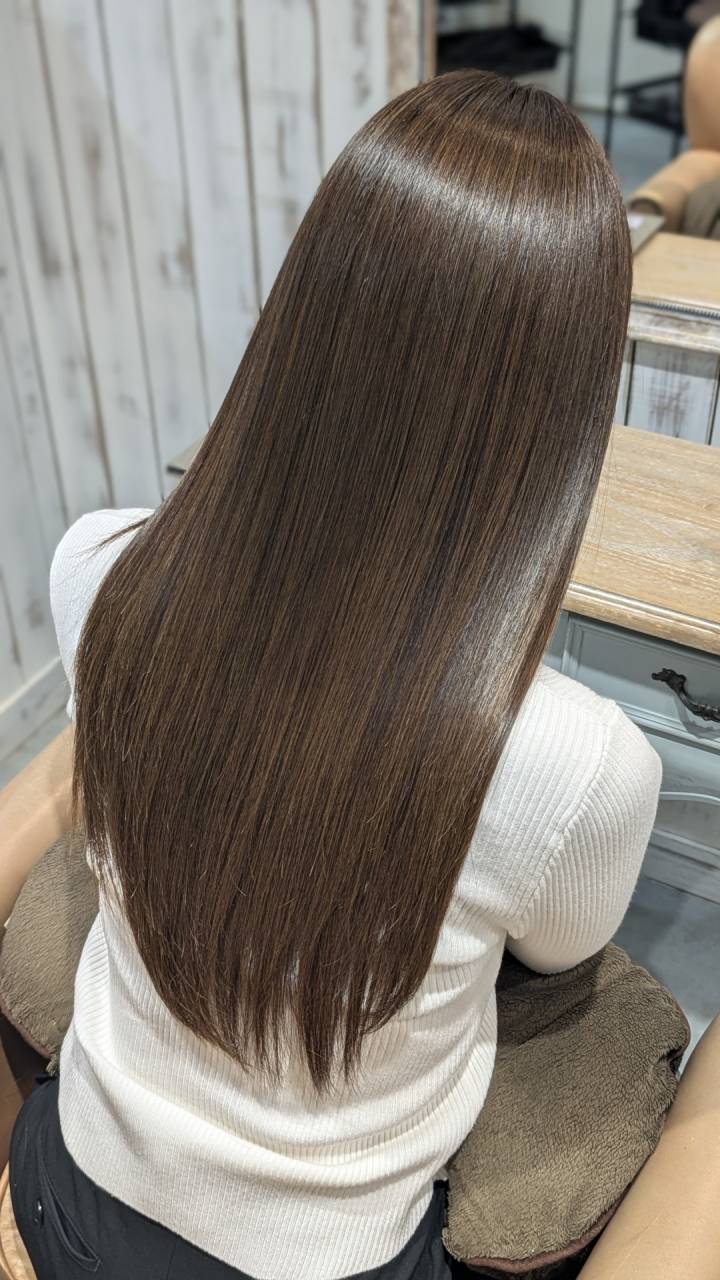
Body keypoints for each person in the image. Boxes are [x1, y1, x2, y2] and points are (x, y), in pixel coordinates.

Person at [7, 70, 659, 1280]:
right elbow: (562, 956)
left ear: (305, 314)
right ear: (566, 401)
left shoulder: (99, 569)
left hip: (65, 1195)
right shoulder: (573, 762)